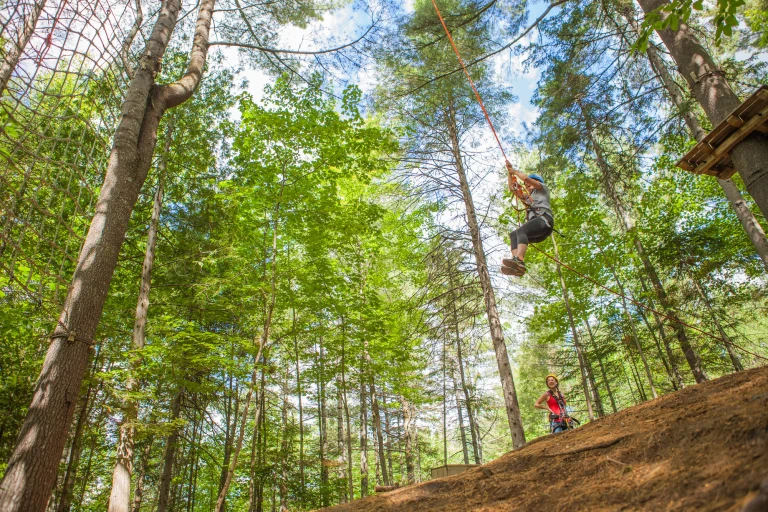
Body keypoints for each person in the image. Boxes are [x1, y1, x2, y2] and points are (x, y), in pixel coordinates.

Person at [501, 161, 554, 277]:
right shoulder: (528, 198)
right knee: (513, 234)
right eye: (525, 185)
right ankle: (516, 264)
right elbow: (512, 189)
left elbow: (526, 178)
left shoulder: (542, 189)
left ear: (537, 182)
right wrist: (509, 173)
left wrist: (514, 171)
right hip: (538, 229)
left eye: (529, 184)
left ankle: (519, 260)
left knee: (521, 231)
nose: (527, 185)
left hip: (544, 220)